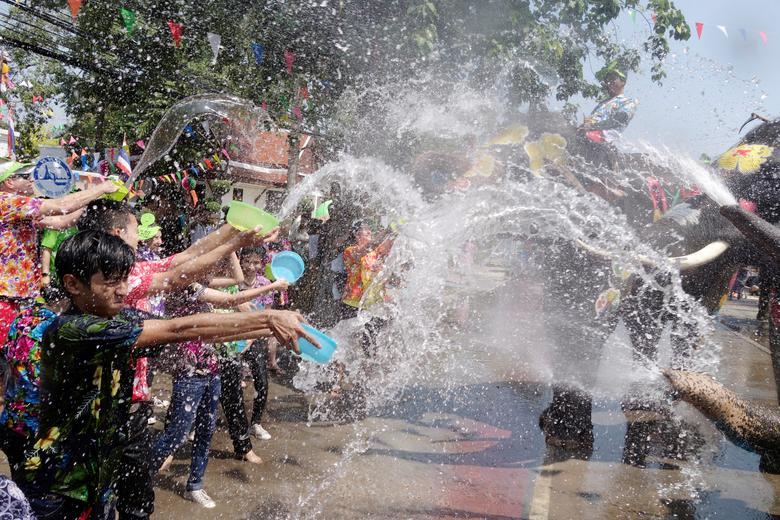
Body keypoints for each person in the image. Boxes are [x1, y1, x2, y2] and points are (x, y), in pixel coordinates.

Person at [18, 231, 316, 520]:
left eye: (124, 279)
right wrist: (267, 317)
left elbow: (184, 332)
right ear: (72, 284)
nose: (123, 290)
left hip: (96, 471)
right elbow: (180, 329)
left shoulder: (114, 316)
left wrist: (270, 328)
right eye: (111, 282)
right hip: (59, 482)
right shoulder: (75, 330)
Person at [75, 199, 280, 519]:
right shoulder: (108, 289)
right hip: (107, 418)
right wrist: (265, 322)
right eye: (135, 232)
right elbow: (180, 318)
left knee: (134, 502)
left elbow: (182, 261)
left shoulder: (124, 274)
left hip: (133, 409)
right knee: (102, 500)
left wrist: (235, 233)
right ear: (117, 233)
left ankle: (190, 481)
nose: (142, 239)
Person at [0, 161, 118, 339]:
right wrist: (101, 188)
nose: (32, 180)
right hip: (5, 299)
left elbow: (61, 222)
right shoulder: (6, 201)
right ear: (9, 182)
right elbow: (60, 205)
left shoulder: (20, 210)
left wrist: (89, 201)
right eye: (26, 177)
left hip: (18, 297)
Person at [0, 286, 69, 481]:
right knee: (38, 492)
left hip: (11, 424)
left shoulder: (20, 318)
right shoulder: (55, 326)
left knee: (20, 483)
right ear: (63, 302)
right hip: (36, 429)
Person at [579, 61, 638, 146]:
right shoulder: (602, 104)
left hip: (604, 141)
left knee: (584, 137)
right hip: (589, 135)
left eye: (613, 78)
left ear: (623, 82)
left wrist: (592, 126)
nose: (609, 82)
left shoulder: (628, 102)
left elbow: (617, 120)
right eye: (607, 79)